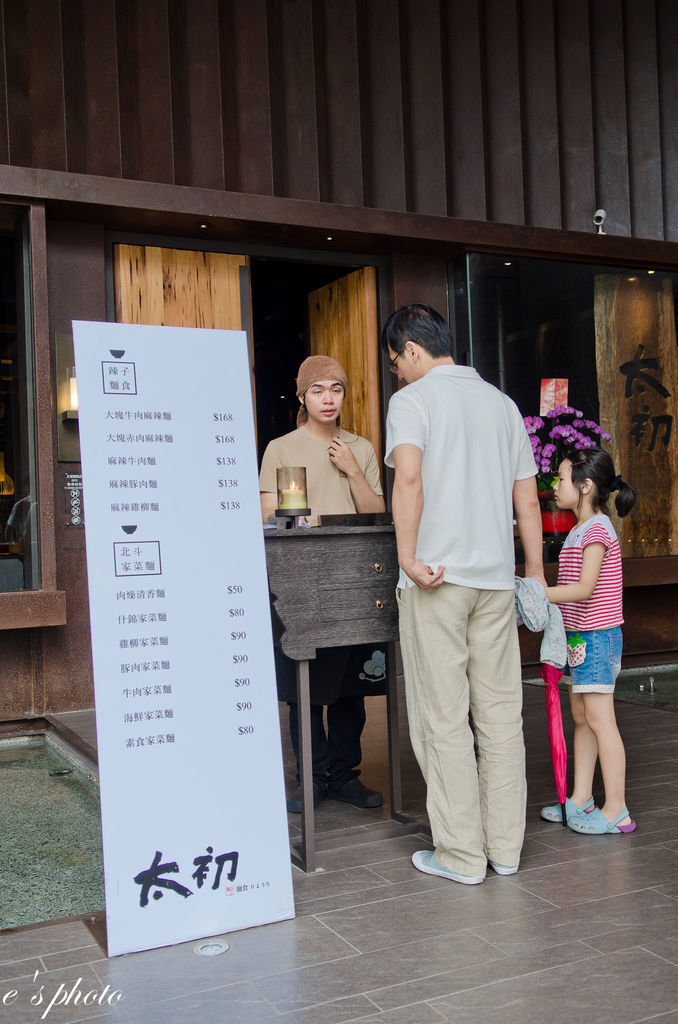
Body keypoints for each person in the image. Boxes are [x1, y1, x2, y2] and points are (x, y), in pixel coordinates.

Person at [382, 303, 545, 884]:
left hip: (437, 579)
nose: (397, 373)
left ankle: (460, 854)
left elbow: (409, 477)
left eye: (396, 361)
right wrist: (533, 572)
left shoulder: (413, 401)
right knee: (501, 714)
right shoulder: (502, 404)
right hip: (497, 580)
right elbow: (527, 498)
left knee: (442, 718)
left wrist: (406, 557)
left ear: (412, 348)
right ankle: (505, 849)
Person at [260, 355, 386, 812]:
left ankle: (345, 776)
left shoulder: (362, 448)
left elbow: (376, 514)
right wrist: (299, 517)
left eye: (336, 388)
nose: (328, 398)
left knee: (353, 687)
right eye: (318, 390)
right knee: (305, 686)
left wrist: (352, 468)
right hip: (305, 580)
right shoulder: (282, 447)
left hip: (355, 577)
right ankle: (311, 778)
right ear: (302, 396)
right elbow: (268, 515)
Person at [540, 447, 637, 834]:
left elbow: (583, 589)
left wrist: (536, 592)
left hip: (597, 639)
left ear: (585, 486)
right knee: (582, 718)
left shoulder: (597, 529)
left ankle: (617, 809)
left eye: (562, 478)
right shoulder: (580, 528)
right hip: (580, 638)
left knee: (600, 720)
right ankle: (581, 798)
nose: (555, 484)